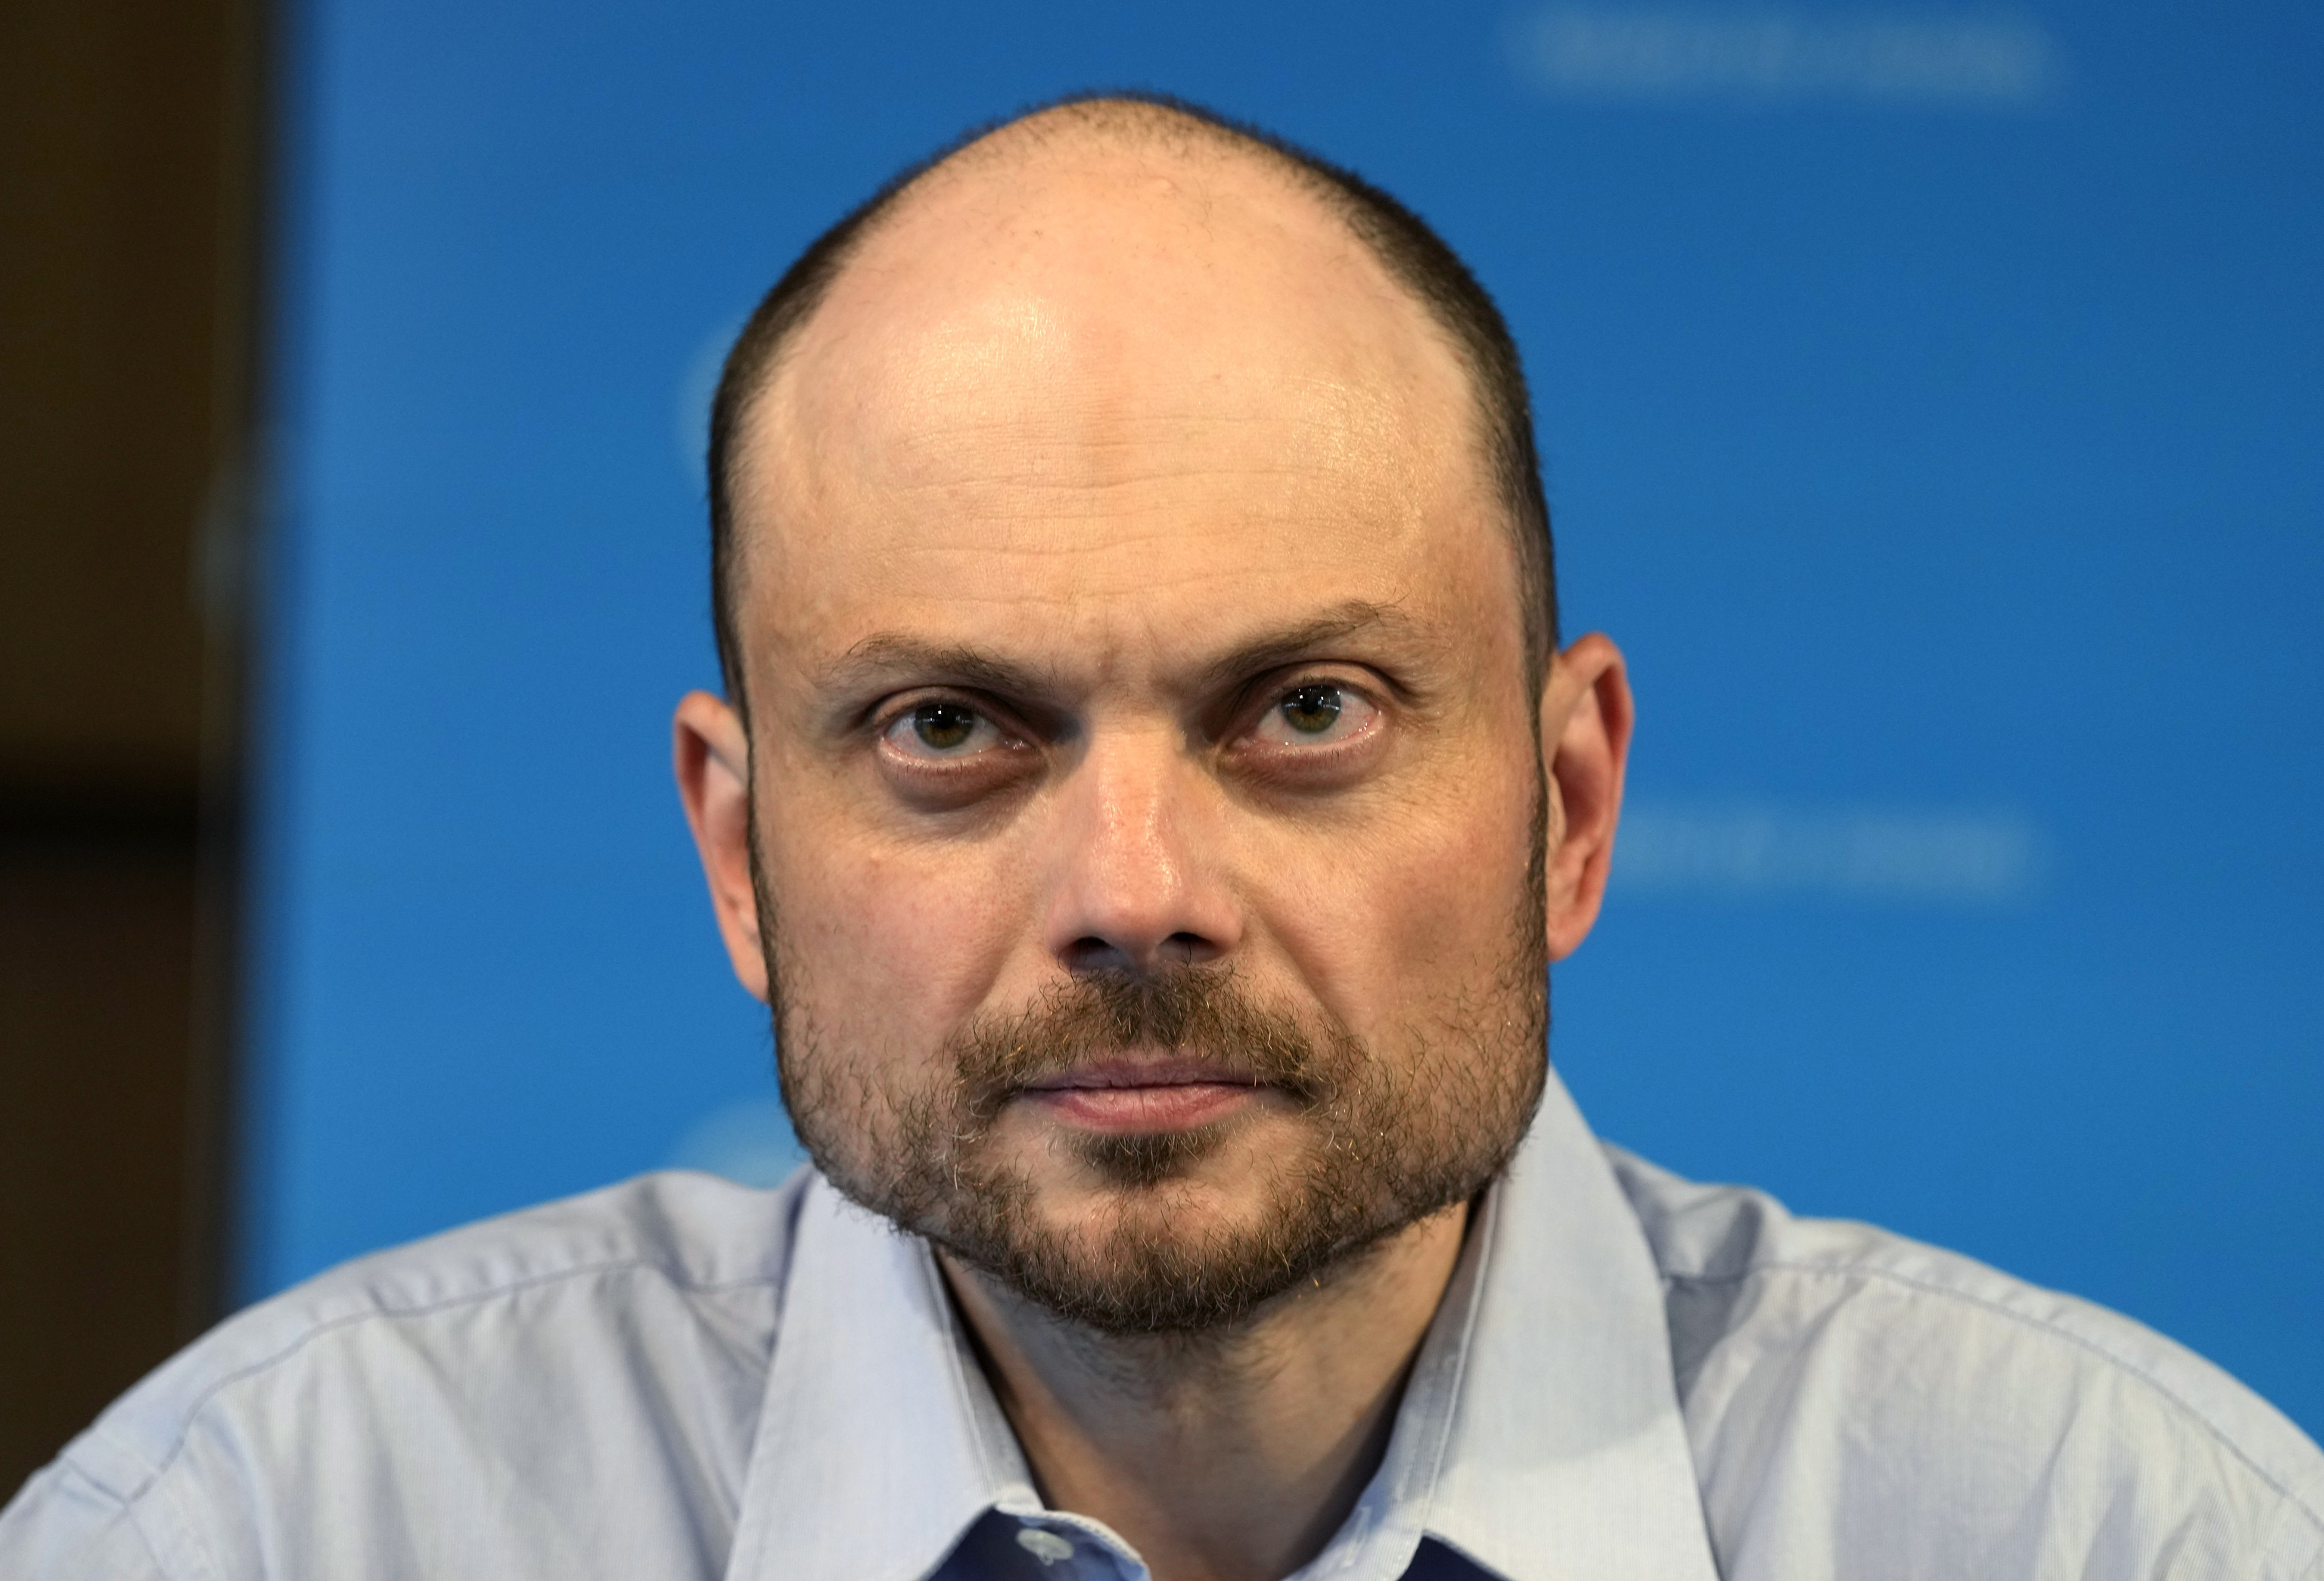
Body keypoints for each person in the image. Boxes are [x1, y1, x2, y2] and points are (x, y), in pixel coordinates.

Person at [5, 92, 2319, 1581]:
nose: (1132, 888)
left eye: (1303, 711)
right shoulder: (267, 1530)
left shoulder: (2120, 1535)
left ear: (1567, 801)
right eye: (949, 730)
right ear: (736, 851)